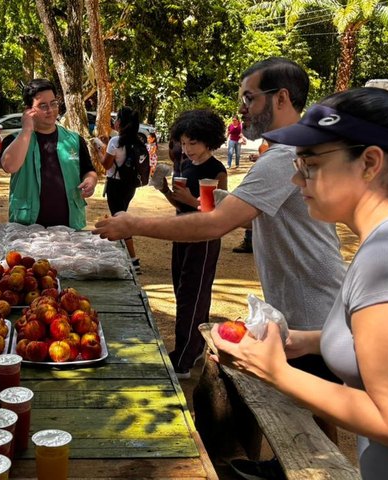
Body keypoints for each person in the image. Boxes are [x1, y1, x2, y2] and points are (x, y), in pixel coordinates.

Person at [211, 87, 388, 479]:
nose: (295, 177)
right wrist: (305, 341)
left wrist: (277, 374)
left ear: (370, 162)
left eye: (309, 164)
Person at [93, 57, 346, 385]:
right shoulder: (285, 151)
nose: (242, 108)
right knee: (310, 410)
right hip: (303, 308)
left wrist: (133, 224)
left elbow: (215, 225)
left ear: (281, 98)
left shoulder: (284, 157)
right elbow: (249, 217)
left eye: (249, 97)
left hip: (312, 311)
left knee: (306, 409)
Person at [157, 110, 227, 378]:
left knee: (192, 297)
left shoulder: (216, 170)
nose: (187, 150)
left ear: (209, 141)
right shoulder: (186, 166)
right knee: (182, 291)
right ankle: (195, 347)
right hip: (182, 235)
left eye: (193, 143)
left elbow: (215, 211)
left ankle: (183, 360)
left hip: (204, 238)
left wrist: (187, 199)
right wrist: (164, 189)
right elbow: (180, 204)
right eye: (183, 143)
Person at [0, 79, 98, 230]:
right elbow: (10, 166)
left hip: (69, 225)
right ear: (28, 110)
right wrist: (27, 130)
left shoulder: (74, 140)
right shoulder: (15, 140)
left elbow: (88, 170)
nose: (50, 110)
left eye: (53, 103)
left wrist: (91, 180)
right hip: (27, 227)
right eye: (43, 106)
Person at [101, 106, 145, 273]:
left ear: (119, 122)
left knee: (119, 220)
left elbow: (106, 164)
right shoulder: (136, 141)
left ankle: (133, 260)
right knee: (120, 215)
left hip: (115, 185)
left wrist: (99, 149)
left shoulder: (115, 142)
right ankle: (123, 256)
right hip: (129, 186)